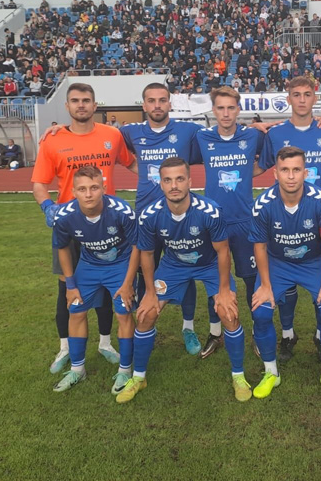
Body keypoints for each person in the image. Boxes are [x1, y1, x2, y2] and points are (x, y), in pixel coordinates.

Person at [115, 157, 251, 403]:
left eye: (179, 179)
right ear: (161, 183)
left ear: (190, 181)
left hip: (209, 265)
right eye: (168, 180)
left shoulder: (210, 211)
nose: (174, 185)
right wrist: (150, 292)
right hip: (174, 265)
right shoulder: (150, 215)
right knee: (145, 315)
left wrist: (223, 290)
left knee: (229, 313)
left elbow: (223, 251)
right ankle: (139, 377)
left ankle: (238, 376)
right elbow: (147, 254)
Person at [32, 82, 137, 374]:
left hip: (107, 225)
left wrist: (161, 179)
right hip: (70, 225)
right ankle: (65, 348)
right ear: (67, 106)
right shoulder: (52, 140)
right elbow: (39, 184)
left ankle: (105, 343)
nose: (81, 105)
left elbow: (133, 164)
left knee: (106, 289)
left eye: (86, 100)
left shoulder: (112, 135)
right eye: (76, 100)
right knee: (67, 287)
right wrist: (47, 207)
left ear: (95, 105)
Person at [258, 77, 321, 359]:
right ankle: (288, 333)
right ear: (288, 98)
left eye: (307, 94)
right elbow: (263, 166)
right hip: (284, 217)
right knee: (286, 280)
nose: (302, 99)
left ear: (315, 98)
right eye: (296, 94)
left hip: (319, 217)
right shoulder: (275, 134)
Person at [249, 146, 321, 399]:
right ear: (275, 173)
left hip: (313, 262)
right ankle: (271, 372)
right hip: (278, 263)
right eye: (285, 170)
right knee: (261, 312)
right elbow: (260, 247)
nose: (291, 176)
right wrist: (265, 286)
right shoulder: (263, 205)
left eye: (296, 170)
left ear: (305, 173)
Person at [118, 82, 206, 355]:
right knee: (144, 271)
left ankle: (188, 327)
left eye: (162, 100)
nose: (157, 105)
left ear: (170, 103)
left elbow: (223, 133)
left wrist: (259, 126)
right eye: (151, 100)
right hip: (146, 216)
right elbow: (97, 135)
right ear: (144, 105)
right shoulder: (131, 132)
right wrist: (60, 129)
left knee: (186, 268)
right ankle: (146, 325)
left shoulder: (188, 130)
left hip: (181, 214)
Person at [50, 166, 137, 395]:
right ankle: (77, 369)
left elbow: (138, 246)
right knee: (76, 311)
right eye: (82, 189)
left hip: (120, 265)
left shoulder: (122, 211)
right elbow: (62, 248)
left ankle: (125, 369)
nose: (88, 194)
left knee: (124, 313)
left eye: (94, 188)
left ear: (104, 188)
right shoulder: (64, 215)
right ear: (73, 191)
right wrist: (70, 285)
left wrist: (128, 283)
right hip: (89, 266)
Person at [193, 87, 266, 358]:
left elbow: (267, 160)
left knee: (251, 280)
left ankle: (259, 333)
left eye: (231, 108)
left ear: (238, 110)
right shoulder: (202, 137)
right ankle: (216, 333)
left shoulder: (253, 136)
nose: (225, 113)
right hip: (213, 221)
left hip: (245, 222)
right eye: (220, 108)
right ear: (213, 110)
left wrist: (246, 172)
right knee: (215, 281)